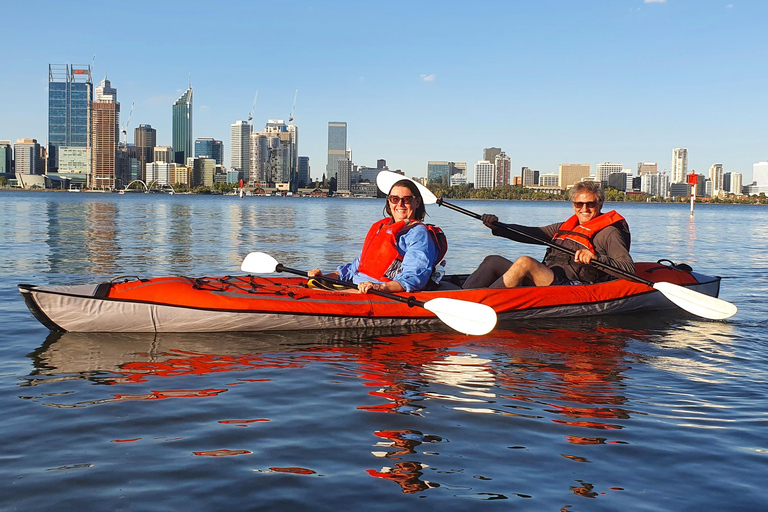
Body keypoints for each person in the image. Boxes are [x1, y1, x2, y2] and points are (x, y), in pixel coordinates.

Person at [462, 181, 633, 289]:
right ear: (573, 204)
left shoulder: (610, 232)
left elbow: (628, 269)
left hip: (574, 286)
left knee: (525, 262)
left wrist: (595, 258)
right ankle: (462, 296)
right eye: (579, 203)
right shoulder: (564, 227)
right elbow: (529, 233)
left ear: (600, 203)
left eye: (590, 204)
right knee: (492, 260)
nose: (584, 209)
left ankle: (483, 303)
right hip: (550, 277)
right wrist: (497, 226)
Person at [308, 179, 447, 294]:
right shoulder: (382, 228)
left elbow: (415, 277)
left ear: (417, 203)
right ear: (389, 202)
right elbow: (357, 266)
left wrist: (380, 287)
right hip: (357, 285)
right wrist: (325, 277)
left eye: (406, 199)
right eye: (394, 199)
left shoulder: (418, 234)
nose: (400, 204)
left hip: (377, 291)